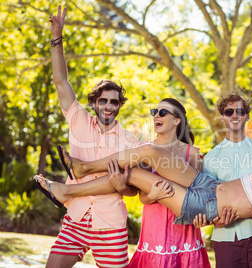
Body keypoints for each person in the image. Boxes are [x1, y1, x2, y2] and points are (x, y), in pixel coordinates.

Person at [35, 121, 252, 268]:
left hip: (204, 206)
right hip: (206, 184)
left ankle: (66, 190)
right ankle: (83, 167)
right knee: (151, 152)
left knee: (137, 175)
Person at [42, 5, 139, 268]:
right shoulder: (78, 119)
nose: (109, 106)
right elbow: (61, 80)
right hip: (75, 217)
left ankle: (63, 190)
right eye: (104, 101)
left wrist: (122, 187)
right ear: (94, 103)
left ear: (120, 105)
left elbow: (132, 189)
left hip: (110, 224)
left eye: (115, 102)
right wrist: (57, 37)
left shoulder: (131, 142)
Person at [198, 92, 252, 267]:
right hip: (225, 236)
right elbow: (207, 201)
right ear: (222, 117)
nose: (235, 116)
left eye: (240, 111)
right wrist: (215, 219)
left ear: (247, 116)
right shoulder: (211, 158)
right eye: (229, 112)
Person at [128, 98, 211, 267]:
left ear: (176, 120)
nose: (156, 116)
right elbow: (142, 197)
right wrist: (153, 195)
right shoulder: (145, 150)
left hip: (185, 230)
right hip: (155, 226)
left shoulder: (192, 153)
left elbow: (199, 195)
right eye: (155, 112)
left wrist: (201, 219)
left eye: (163, 112)